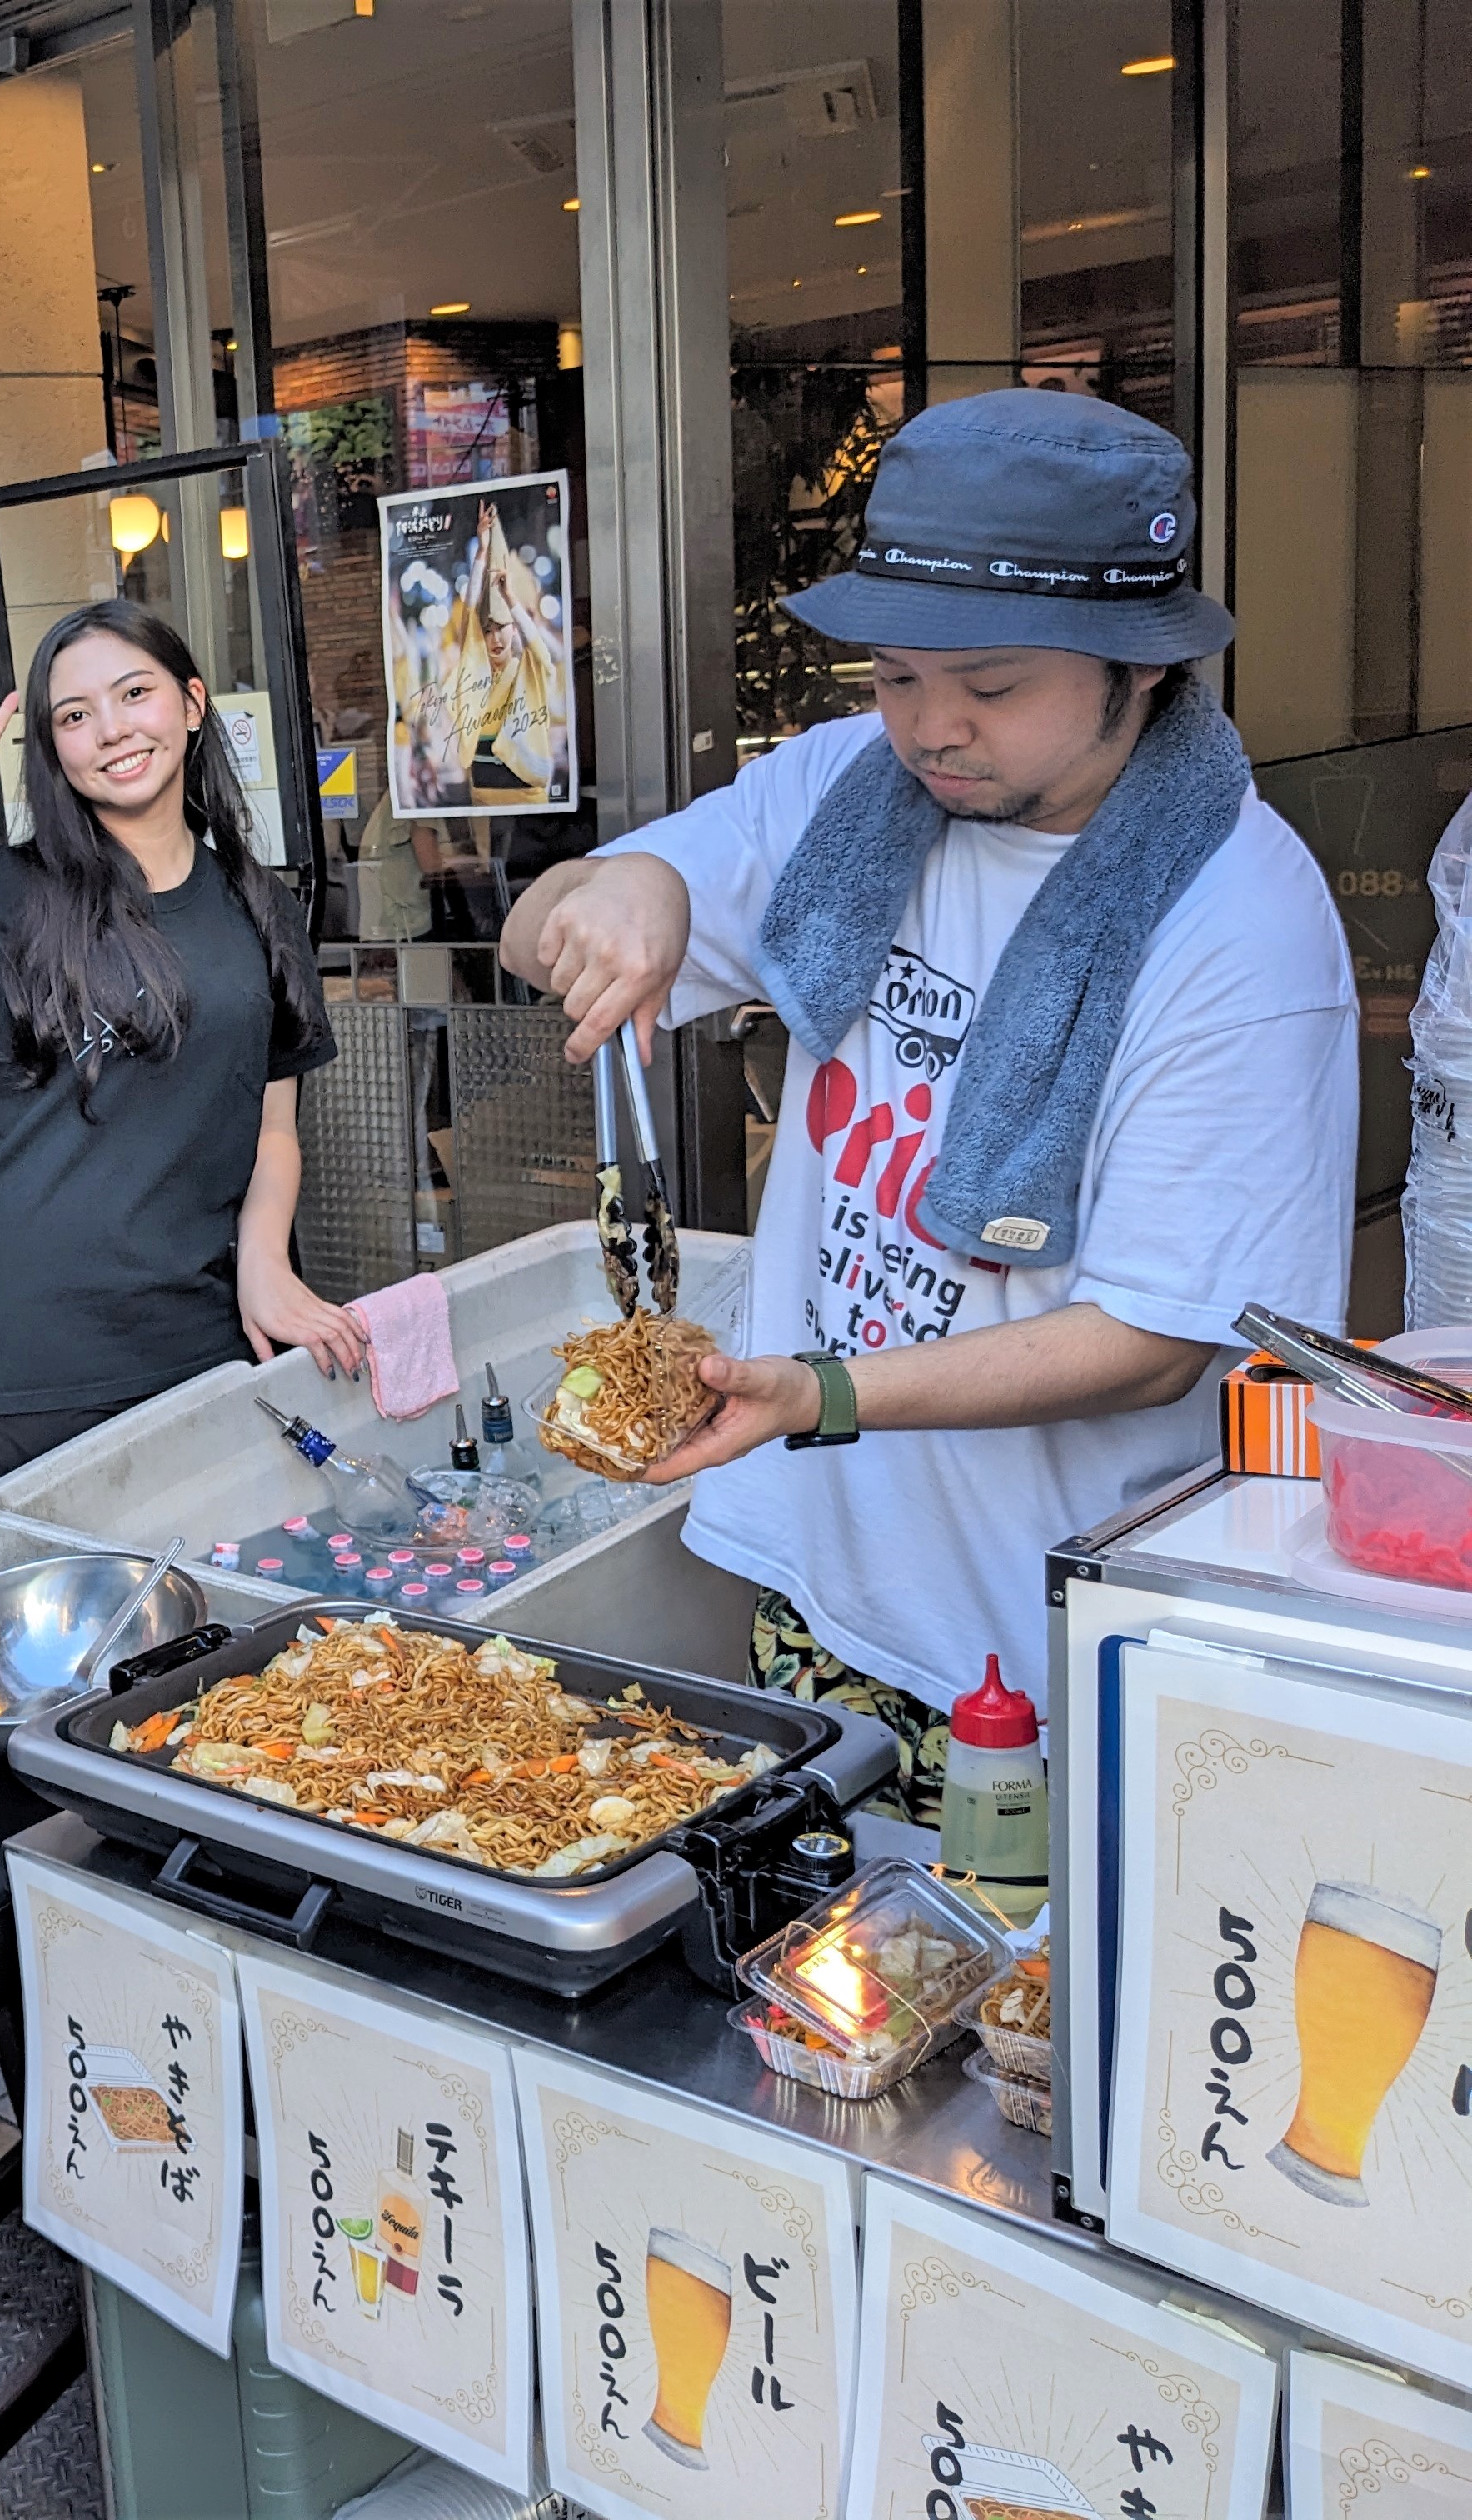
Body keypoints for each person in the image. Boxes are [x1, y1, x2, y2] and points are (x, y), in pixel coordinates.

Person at [501, 388, 1355, 1816]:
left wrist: (817, 1393)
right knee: (811, 2006)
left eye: (992, 684)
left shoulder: (1239, 927)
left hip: (1035, 1644)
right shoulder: (850, 787)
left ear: (1135, 668)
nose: (930, 727)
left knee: (1013, 2025)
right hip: (809, 1579)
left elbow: (1153, 1341)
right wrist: (628, 883)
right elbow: (542, 928)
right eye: (895, 674)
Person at [0, 600, 364, 1559]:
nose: (111, 730)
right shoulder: (9, 894)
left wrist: (265, 1263)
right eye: (73, 716)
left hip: (198, 1343)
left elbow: (273, 1116)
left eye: (134, 693)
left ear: (193, 705)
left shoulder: (259, 903)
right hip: (22, 1358)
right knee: (63, 1677)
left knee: (218, 1665)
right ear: (54, 751)